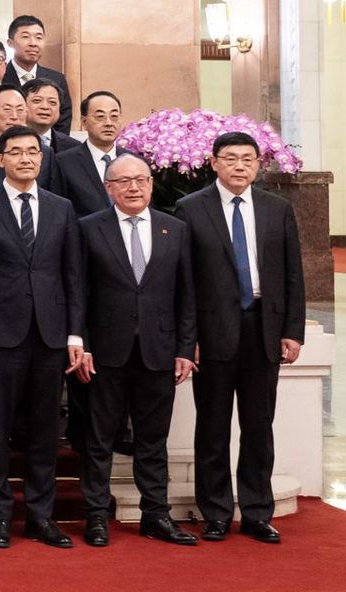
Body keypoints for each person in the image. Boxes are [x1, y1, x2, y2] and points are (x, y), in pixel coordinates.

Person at [179, 131, 304, 544]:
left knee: (258, 427)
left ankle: (255, 512)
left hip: (263, 329)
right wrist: (187, 337)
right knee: (212, 426)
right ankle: (215, 511)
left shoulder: (277, 209)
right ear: (213, 162)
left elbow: (292, 275)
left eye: (247, 159)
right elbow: (183, 281)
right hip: (212, 331)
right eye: (230, 158)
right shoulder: (189, 208)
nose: (239, 166)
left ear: (258, 164)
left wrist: (292, 330)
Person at [0, 125, 84, 549]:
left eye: (33, 151)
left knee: (45, 430)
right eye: (16, 152)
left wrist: (75, 335)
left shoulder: (61, 207)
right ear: (1, 159)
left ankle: (40, 515)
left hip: (50, 335)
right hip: (0, 334)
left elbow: (73, 276)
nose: (26, 159)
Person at [73, 154, 200, 547]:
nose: (133, 187)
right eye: (123, 181)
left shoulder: (174, 229)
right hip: (105, 353)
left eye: (141, 180)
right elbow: (78, 292)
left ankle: (155, 515)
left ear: (150, 184)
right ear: (108, 188)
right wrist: (82, 344)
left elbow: (186, 296)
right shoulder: (88, 229)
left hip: (159, 352)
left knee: (152, 439)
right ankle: (96, 516)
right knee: (99, 439)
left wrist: (183, 348)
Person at [44, 91, 124, 217]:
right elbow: (57, 211)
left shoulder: (134, 161)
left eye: (114, 116)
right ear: (84, 121)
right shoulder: (64, 162)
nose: (109, 123)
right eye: (100, 117)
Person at [1, 15, 72, 134]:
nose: (33, 43)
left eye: (39, 37)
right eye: (25, 37)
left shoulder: (56, 79)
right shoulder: (0, 77)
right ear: (10, 43)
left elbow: (63, 122)